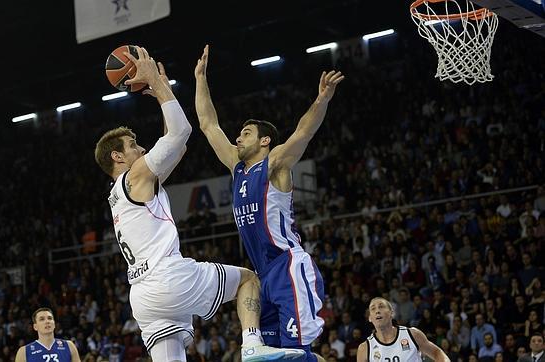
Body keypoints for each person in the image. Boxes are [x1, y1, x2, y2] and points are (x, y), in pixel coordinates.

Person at [94, 46, 303, 362]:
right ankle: (251, 345)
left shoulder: (120, 192)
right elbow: (182, 132)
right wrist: (159, 84)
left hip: (142, 296)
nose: (141, 148)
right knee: (247, 279)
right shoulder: (136, 175)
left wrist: (163, 93)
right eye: (133, 146)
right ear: (118, 157)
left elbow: (175, 150)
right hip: (168, 278)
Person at [194, 44, 344, 361]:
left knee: (295, 353)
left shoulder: (274, 163)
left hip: (289, 265)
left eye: (245, 133)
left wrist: (322, 100)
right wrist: (200, 78)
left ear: (264, 141)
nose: (237, 138)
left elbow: (303, 132)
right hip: (263, 275)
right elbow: (209, 125)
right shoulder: (237, 169)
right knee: (271, 357)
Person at [356, 297, 450, 362]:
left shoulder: (412, 334)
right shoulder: (364, 349)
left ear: (391, 313)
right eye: (373, 309)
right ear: (370, 318)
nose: (377, 311)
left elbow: (437, 353)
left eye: (381, 306)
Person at [14, 307, 81, 362]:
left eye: (49, 318)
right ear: (35, 327)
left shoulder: (69, 346)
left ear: (54, 324)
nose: (47, 321)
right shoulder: (24, 351)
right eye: (42, 319)